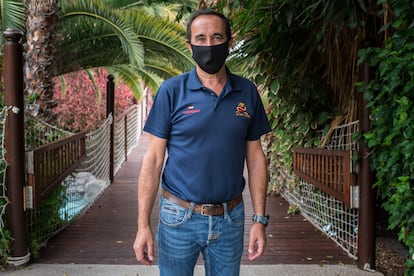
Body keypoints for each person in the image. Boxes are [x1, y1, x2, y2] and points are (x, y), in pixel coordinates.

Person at [133, 7, 271, 276]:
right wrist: (143, 226)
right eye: (201, 38)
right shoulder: (172, 91)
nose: (209, 45)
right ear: (190, 45)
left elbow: (256, 158)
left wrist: (259, 220)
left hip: (230, 218)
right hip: (177, 217)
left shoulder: (247, 92)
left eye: (217, 37)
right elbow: (153, 160)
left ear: (230, 42)